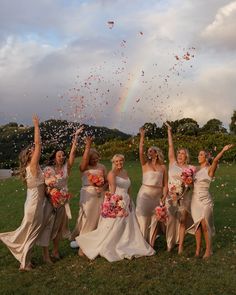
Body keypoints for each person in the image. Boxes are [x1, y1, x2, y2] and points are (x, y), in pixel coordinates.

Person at [75, 154, 155, 262]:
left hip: (127, 201)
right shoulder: (112, 174)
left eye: (121, 161)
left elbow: (129, 187)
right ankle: (95, 244)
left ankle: (126, 242)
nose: (119, 163)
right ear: (113, 162)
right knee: (114, 224)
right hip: (117, 201)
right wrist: (114, 205)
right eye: (116, 161)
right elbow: (112, 189)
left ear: (123, 161)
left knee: (127, 225)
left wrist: (130, 200)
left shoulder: (125, 172)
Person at [0, 115, 45, 271]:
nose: (35, 150)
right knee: (31, 232)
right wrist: (36, 125)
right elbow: (38, 143)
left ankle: (26, 260)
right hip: (34, 205)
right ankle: (24, 264)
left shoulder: (32, 167)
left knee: (31, 232)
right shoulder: (32, 166)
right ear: (30, 156)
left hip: (34, 203)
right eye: (32, 150)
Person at [37, 127, 84, 263]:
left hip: (62, 200)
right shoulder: (48, 169)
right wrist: (51, 193)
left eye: (63, 155)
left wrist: (75, 137)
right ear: (54, 157)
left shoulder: (65, 168)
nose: (62, 157)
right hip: (49, 201)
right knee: (48, 226)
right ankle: (46, 255)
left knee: (58, 227)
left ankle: (56, 251)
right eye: (59, 155)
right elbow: (45, 186)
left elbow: (73, 154)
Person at [188, 145, 234, 258]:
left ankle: (209, 250)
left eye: (201, 155)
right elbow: (191, 185)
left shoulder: (210, 169)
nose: (199, 156)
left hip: (205, 200)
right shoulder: (195, 170)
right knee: (197, 225)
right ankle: (198, 250)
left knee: (205, 225)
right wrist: (188, 181)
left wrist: (223, 150)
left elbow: (216, 160)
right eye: (198, 154)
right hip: (194, 200)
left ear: (206, 157)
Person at [70, 136, 107, 255]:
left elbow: (107, 181)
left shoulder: (102, 167)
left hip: (100, 195)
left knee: (99, 218)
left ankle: (96, 242)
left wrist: (102, 188)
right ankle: (83, 246)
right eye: (93, 159)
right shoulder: (84, 167)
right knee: (87, 218)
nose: (96, 160)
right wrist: (88, 146)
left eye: (97, 158)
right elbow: (84, 161)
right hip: (88, 195)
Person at [165, 122, 195, 254]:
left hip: (183, 198)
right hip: (170, 196)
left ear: (186, 156)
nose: (180, 155)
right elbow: (170, 146)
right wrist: (169, 131)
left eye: (182, 153)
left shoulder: (189, 169)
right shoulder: (172, 163)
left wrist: (182, 194)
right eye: (179, 153)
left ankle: (181, 245)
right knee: (170, 220)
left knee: (182, 220)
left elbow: (190, 185)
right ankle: (169, 244)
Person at [136, 127, 168, 247]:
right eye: (148, 151)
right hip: (145, 194)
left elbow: (165, 184)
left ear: (156, 153)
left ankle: (152, 243)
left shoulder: (163, 167)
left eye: (151, 151)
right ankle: (141, 242)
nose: (148, 152)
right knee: (143, 218)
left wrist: (164, 195)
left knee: (155, 218)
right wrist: (142, 136)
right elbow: (140, 151)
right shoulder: (145, 164)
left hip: (157, 196)